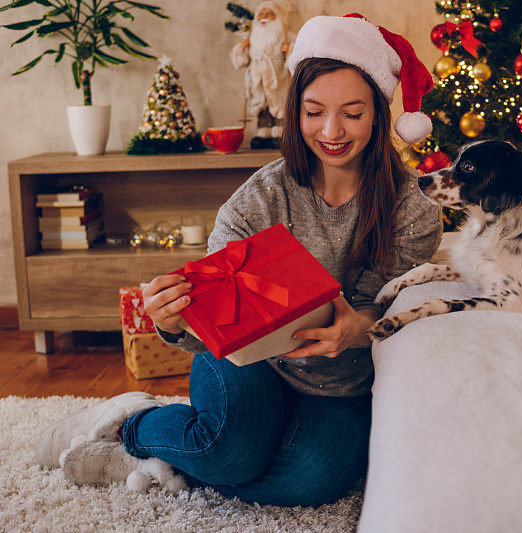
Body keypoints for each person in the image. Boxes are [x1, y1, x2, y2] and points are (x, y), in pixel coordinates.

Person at [35, 13, 442, 507]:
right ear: (296, 113)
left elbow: (399, 309)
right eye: (314, 111)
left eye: (352, 113)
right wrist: (173, 320)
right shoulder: (258, 201)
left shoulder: (414, 208)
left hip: (340, 385)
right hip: (250, 364)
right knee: (230, 454)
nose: (331, 131)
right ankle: (130, 423)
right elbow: (212, 320)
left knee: (309, 479)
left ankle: (171, 459)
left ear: (379, 112)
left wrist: (359, 327)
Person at [230, 1, 295, 150]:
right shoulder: (253, 37)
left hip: (276, 76)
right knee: (261, 104)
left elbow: (297, 51)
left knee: (279, 102)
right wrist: (242, 48)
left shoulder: (285, 34)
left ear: (276, 16)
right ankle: (263, 132)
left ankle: (279, 132)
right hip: (258, 76)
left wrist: (288, 51)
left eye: (268, 14)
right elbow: (241, 61)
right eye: (261, 14)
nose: (264, 17)